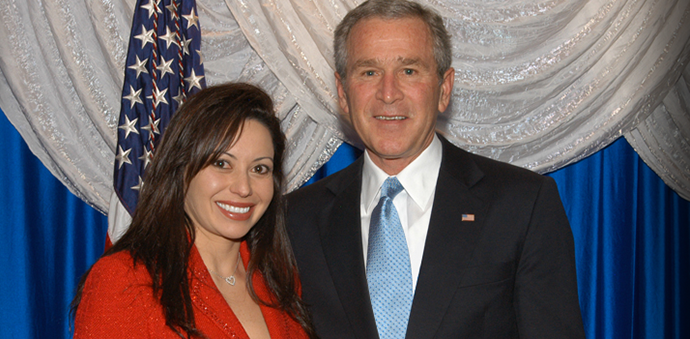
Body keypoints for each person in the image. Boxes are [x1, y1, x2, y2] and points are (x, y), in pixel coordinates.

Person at [286, 1, 586, 338]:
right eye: (369, 72)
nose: (388, 93)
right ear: (343, 94)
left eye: (409, 71)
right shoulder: (297, 219)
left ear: (444, 89)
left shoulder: (522, 205)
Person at [72, 83, 314, 338]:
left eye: (259, 169)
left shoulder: (278, 279)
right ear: (181, 171)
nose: (244, 188)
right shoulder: (124, 281)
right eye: (222, 164)